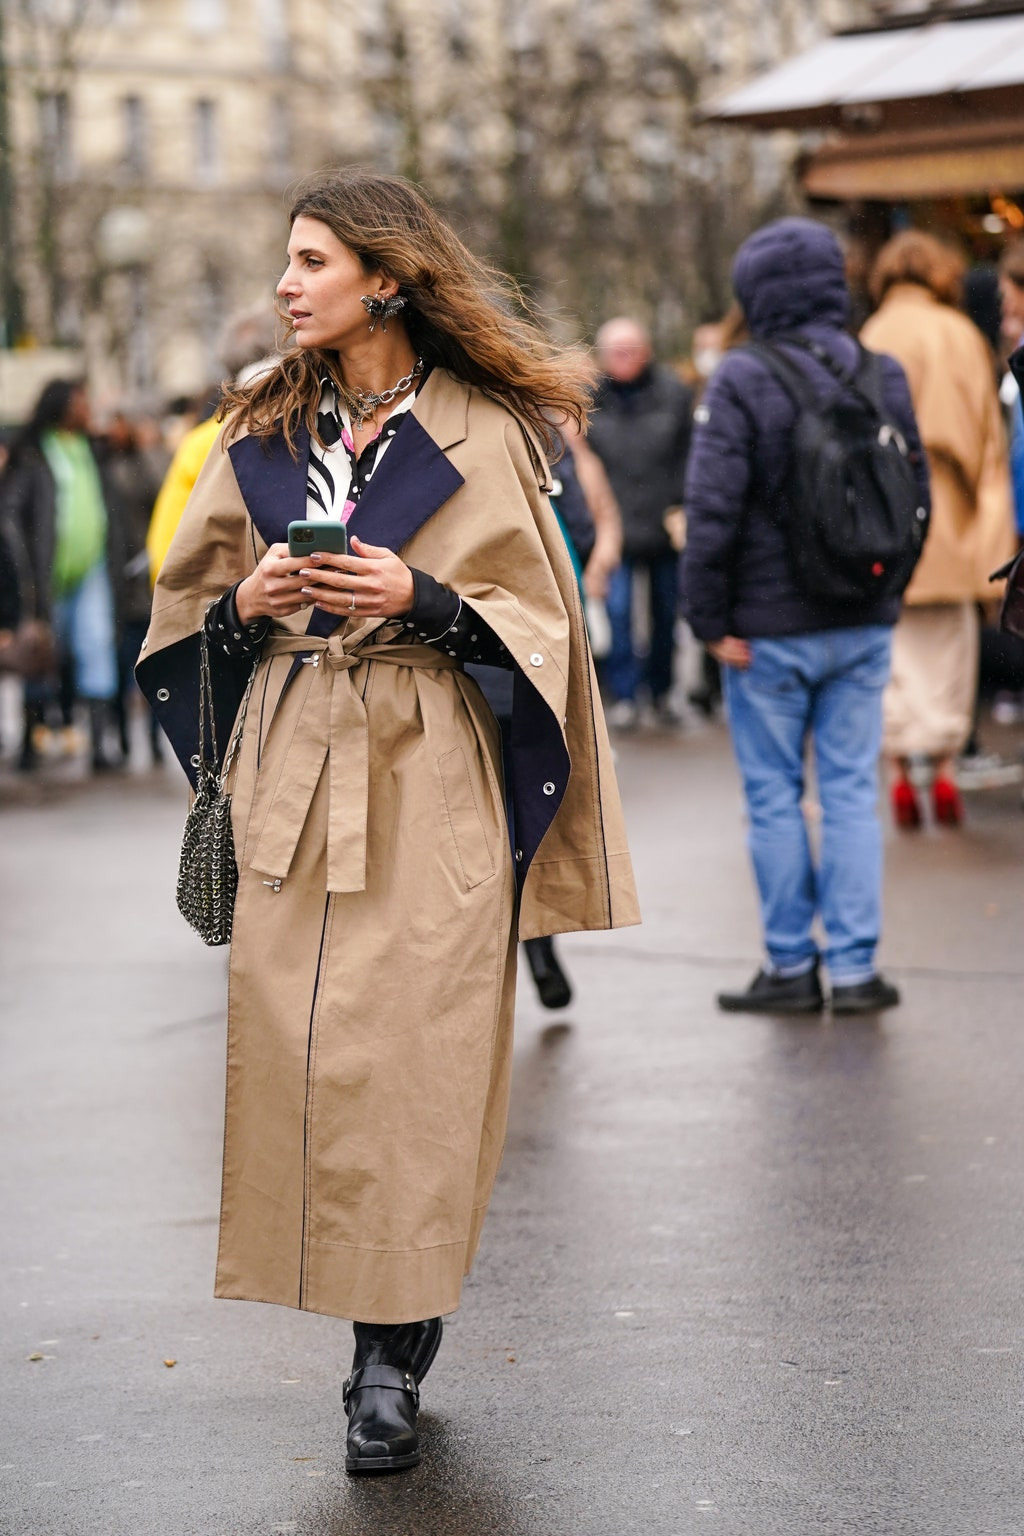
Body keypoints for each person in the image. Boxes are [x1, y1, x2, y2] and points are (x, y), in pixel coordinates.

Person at [136, 167, 639, 1475]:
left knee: (414, 1062)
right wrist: (248, 602)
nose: (286, 283)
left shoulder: (485, 429)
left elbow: (547, 634)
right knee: (310, 1060)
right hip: (291, 768)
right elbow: (178, 628)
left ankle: (388, 1358)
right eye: (286, 260)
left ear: (387, 276)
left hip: (432, 772)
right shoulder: (257, 428)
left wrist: (424, 593)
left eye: (312, 260)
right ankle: (366, 1330)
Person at [680, 217, 929, 1016]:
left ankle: (790, 966)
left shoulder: (743, 377)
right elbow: (916, 498)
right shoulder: (880, 371)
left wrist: (707, 620)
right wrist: (888, 595)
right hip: (861, 622)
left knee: (775, 797)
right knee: (853, 792)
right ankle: (855, 972)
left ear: (753, 293)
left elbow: (712, 511)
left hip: (766, 635)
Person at [861, 231, 1016, 828]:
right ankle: (947, 767)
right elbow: (987, 441)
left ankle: (902, 771)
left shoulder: (871, 334)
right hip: (953, 514)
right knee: (952, 648)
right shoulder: (961, 335)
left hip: (888, 515)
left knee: (895, 653)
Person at [2, 379, 121, 772]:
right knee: (41, 648)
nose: (87, 409)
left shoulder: (93, 448)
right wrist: (25, 568)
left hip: (91, 567)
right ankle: (29, 741)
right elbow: (14, 513)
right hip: (45, 571)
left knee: (96, 644)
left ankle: (100, 744)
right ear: (61, 405)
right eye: (80, 401)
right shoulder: (34, 452)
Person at [586, 317, 692, 729]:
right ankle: (626, 696)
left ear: (646, 351)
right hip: (613, 527)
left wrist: (681, 504)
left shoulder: (675, 393)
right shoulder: (589, 398)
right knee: (618, 615)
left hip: (664, 522)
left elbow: (690, 454)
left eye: (631, 348)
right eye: (615, 350)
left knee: (667, 614)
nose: (623, 358)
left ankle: (663, 692)